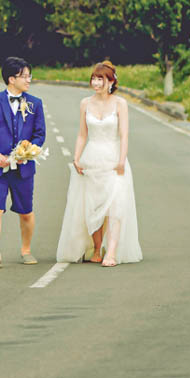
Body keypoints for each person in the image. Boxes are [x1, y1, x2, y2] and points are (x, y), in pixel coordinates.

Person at [55, 60, 142, 266]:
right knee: (92, 207)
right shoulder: (85, 103)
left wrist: (121, 160)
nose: (96, 82)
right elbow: (82, 135)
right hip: (91, 158)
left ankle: (111, 251)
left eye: (100, 79)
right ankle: (96, 248)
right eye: (94, 78)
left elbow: (124, 134)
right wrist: (76, 157)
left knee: (115, 206)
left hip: (113, 159)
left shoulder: (120, 103)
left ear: (111, 81)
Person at [0, 57, 46, 269]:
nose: (28, 80)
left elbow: (39, 134)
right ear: (11, 79)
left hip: (24, 168)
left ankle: (26, 250)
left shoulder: (35, 103)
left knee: (26, 211)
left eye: (29, 75)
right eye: (24, 76)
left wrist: (29, 150)